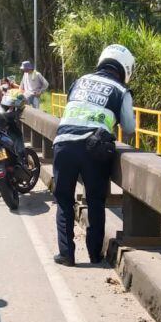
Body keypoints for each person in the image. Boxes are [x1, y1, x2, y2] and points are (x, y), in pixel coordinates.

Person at [51, 44, 135, 266]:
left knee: (64, 201)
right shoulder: (121, 91)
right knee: (96, 201)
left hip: (64, 143)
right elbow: (129, 127)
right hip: (93, 148)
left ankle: (66, 254)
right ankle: (94, 254)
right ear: (126, 69)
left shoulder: (80, 81)